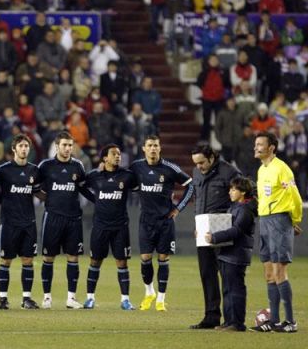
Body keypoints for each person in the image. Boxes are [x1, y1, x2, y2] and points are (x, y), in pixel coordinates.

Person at [130, 135, 194, 311]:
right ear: (144, 148)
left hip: (165, 221)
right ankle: (149, 292)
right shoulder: (136, 166)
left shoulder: (170, 168)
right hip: (146, 221)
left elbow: (191, 185)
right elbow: (127, 182)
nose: (153, 148)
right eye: (150, 145)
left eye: (155, 145)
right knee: (145, 258)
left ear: (160, 148)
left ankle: (160, 299)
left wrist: (178, 208)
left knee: (163, 259)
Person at [37, 132, 95, 309]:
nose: (68, 148)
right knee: (48, 257)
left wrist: (98, 200)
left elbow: (83, 188)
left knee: (73, 257)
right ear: (57, 146)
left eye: (70, 145)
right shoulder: (45, 166)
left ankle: (71, 298)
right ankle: (47, 297)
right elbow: (35, 187)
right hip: (52, 217)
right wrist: (49, 200)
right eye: (64, 145)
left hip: (73, 218)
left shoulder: (77, 166)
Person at [251, 132, 303, 333]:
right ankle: (273, 320)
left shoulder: (282, 169)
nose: (256, 147)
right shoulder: (261, 169)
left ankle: (290, 321)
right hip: (264, 220)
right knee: (269, 274)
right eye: (255, 144)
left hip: (279, 220)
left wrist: (294, 220)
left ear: (271, 147)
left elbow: (295, 196)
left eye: (260, 144)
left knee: (280, 272)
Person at [189, 145, 240, 329]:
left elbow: (242, 196)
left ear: (211, 157)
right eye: (196, 163)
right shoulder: (196, 172)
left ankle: (232, 319)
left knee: (227, 275)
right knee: (207, 274)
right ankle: (211, 317)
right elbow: (197, 199)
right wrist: (198, 224)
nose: (199, 167)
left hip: (222, 230)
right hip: (203, 230)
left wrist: (230, 221)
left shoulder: (229, 172)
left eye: (202, 162)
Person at [84, 144, 138, 310]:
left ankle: (125, 300)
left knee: (122, 262)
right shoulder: (94, 175)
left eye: (119, 154)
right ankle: (90, 298)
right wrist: (95, 199)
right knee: (95, 261)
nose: (117, 156)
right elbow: (80, 186)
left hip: (120, 226)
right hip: (100, 226)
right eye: (113, 154)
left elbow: (140, 189)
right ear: (105, 158)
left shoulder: (127, 176)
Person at [0, 135, 43, 310]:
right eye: (21, 146)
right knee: (6, 260)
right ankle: (3, 299)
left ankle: (26, 299)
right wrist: (4, 202)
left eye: (26, 146)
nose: (24, 149)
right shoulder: (3, 170)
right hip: (9, 223)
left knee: (27, 260)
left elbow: (37, 192)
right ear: (14, 149)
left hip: (28, 222)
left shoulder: (34, 170)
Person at [205, 176, 258, 332]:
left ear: (243, 192)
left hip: (236, 255)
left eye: (233, 189)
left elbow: (236, 231)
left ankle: (237, 323)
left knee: (235, 289)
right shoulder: (235, 207)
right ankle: (229, 321)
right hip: (227, 253)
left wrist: (214, 237)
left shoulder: (245, 210)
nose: (230, 192)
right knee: (228, 289)